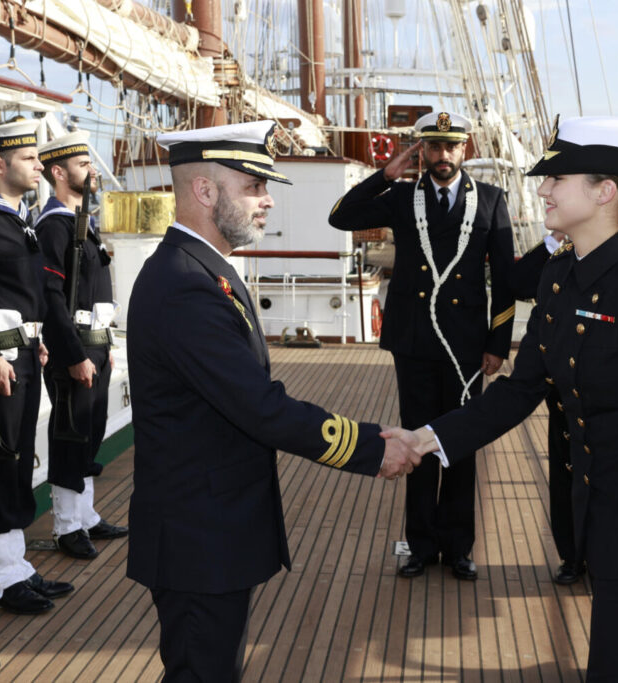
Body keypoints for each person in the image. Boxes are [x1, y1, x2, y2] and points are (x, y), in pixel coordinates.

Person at [389, 116, 618, 681]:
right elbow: (522, 390)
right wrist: (428, 438)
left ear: (604, 191)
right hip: (603, 520)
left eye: (557, 178)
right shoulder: (559, 276)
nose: (542, 189)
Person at [126, 120, 420, 682]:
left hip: (212, 530)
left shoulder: (201, 271)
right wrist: (370, 446)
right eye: (252, 187)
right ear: (205, 191)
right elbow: (259, 407)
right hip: (199, 537)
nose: (265, 202)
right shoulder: (185, 284)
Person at [328, 111, 516, 580]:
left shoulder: (491, 201)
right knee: (415, 442)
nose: (443, 156)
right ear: (422, 152)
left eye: (451, 147)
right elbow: (340, 217)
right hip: (414, 341)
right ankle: (419, 545)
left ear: (465, 149)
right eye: (433, 148)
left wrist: (498, 343)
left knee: (461, 444)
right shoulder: (400, 195)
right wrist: (383, 175)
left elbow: (506, 283)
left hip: (466, 346)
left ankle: (458, 548)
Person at [0, 120, 74, 615]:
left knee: (19, 456)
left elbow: (26, 293)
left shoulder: (18, 218)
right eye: (28, 159)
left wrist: (38, 339)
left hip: (25, 354)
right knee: (1, 459)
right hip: (1, 360)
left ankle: (17, 564)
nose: (37, 166)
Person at [35, 130, 128, 560]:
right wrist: (72, 356)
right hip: (73, 351)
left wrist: (101, 345)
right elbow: (51, 300)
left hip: (94, 346)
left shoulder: (81, 225)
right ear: (59, 172)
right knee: (71, 434)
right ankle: (67, 526)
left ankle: (85, 515)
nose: (92, 170)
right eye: (82, 164)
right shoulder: (53, 226)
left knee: (90, 433)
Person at [509, 231, 583, 585]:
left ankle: (600, 556)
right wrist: (554, 243)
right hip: (561, 390)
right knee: (564, 472)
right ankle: (571, 556)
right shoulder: (558, 253)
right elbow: (517, 284)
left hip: (605, 394)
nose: (545, 193)